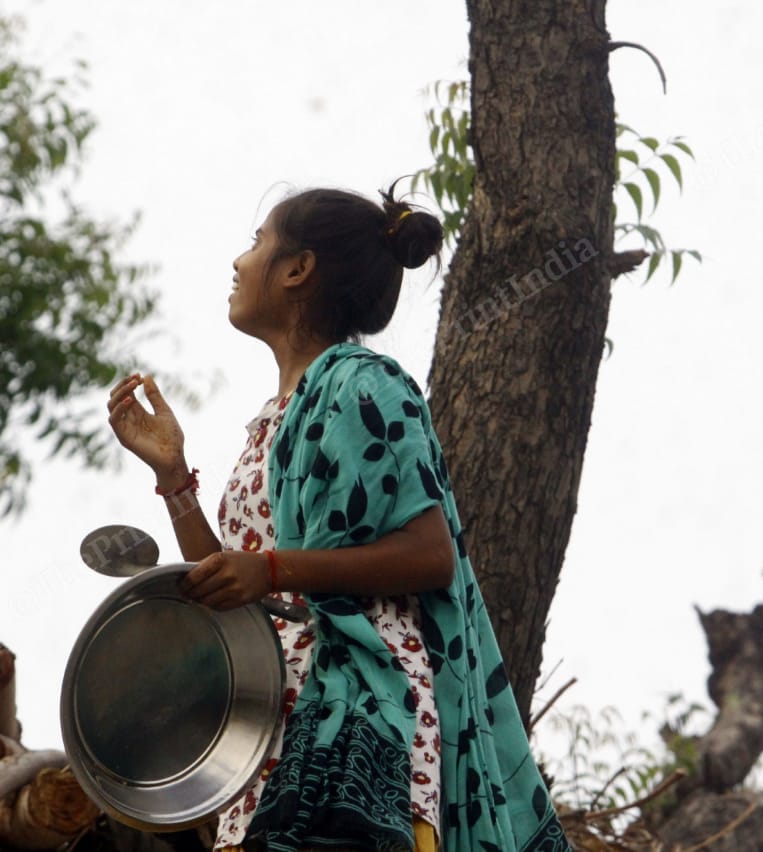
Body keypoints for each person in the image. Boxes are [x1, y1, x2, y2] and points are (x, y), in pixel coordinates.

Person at [105, 183, 569, 852]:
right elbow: (236, 591)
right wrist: (175, 478)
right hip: (271, 735)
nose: (240, 262)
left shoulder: (364, 384)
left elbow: (429, 552)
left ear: (298, 269)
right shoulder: (274, 423)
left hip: (359, 729)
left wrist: (268, 569)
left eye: (256, 241)